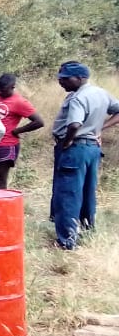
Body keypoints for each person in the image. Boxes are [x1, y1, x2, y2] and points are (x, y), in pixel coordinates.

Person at [50, 61, 119, 250]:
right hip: (91, 150)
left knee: (68, 193)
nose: (61, 82)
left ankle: (66, 240)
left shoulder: (78, 98)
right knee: (88, 190)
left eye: (65, 79)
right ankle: (88, 230)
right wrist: (99, 129)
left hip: (75, 149)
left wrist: (68, 141)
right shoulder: (101, 93)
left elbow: (74, 124)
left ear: (80, 78)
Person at [0, 73, 44, 189]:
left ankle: (0, 206)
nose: (0, 93)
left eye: (4, 90)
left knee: (0, 180)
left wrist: (17, 131)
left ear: (13, 87)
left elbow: (39, 122)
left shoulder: (20, 102)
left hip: (5, 146)